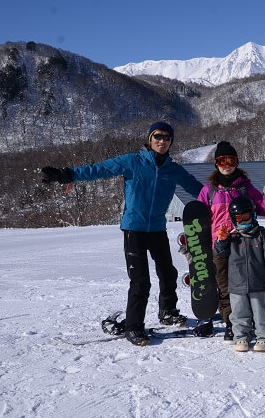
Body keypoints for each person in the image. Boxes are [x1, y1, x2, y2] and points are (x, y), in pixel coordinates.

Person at [41, 121, 203, 346]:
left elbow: (200, 190)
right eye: (158, 136)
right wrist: (66, 175)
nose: (162, 141)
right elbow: (99, 169)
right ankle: (133, 327)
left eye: (167, 138)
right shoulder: (132, 161)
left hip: (157, 228)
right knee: (141, 281)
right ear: (150, 138)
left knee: (168, 273)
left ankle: (167, 312)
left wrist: (228, 195)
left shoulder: (173, 169)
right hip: (134, 229)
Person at [195, 141, 265, 341]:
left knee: (247, 285)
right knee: (225, 286)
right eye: (222, 160)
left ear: (236, 162)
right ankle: (231, 324)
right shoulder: (208, 191)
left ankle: (250, 319)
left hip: (245, 242)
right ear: (216, 164)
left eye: (230, 160)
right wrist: (196, 245)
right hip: (221, 244)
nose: (226, 164)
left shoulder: (244, 187)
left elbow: (264, 209)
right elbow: (199, 220)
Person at [214, 197, 265, 352]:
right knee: (238, 313)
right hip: (237, 284)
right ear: (233, 219)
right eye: (238, 218)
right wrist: (221, 240)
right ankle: (241, 337)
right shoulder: (231, 237)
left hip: (258, 283)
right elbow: (220, 254)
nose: (242, 221)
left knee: (260, 312)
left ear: (252, 214)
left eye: (246, 217)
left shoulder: (261, 235)